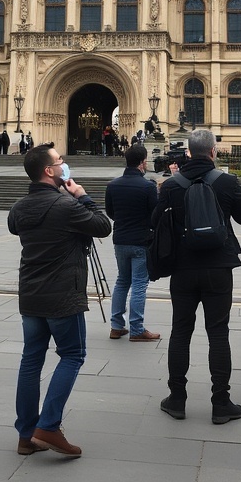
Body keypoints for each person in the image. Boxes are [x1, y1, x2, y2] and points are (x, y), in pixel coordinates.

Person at [7, 143, 112, 458]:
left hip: (31, 294)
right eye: (59, 160)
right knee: (72, 355)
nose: (64, 163)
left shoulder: (19, 208)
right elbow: (103, 226)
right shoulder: (66, 206)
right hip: (62, 296)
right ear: (49, 171)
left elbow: (16, 226)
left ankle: (26, 434)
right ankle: (49, 425)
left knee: (31, 359)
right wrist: (80, 194)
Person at [153, 128, 241, 424]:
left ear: (188, 152)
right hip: (218, 267)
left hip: (183, 269)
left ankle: (177, 399)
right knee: (218, 333)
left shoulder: (173, 184)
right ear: (213, 151)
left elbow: (155, 221)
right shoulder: (226, 181)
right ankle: (221, 402)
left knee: (181, 331)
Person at [105, 144, 160, 342]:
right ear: (143, 162)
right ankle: (136, 328)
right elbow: (155, 215)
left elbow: (110, 212)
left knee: (122, 281)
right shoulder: (147, 186)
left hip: (120, 239)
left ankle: (116, 326)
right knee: (139, 284)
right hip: (140, 241)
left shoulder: (113, 185)